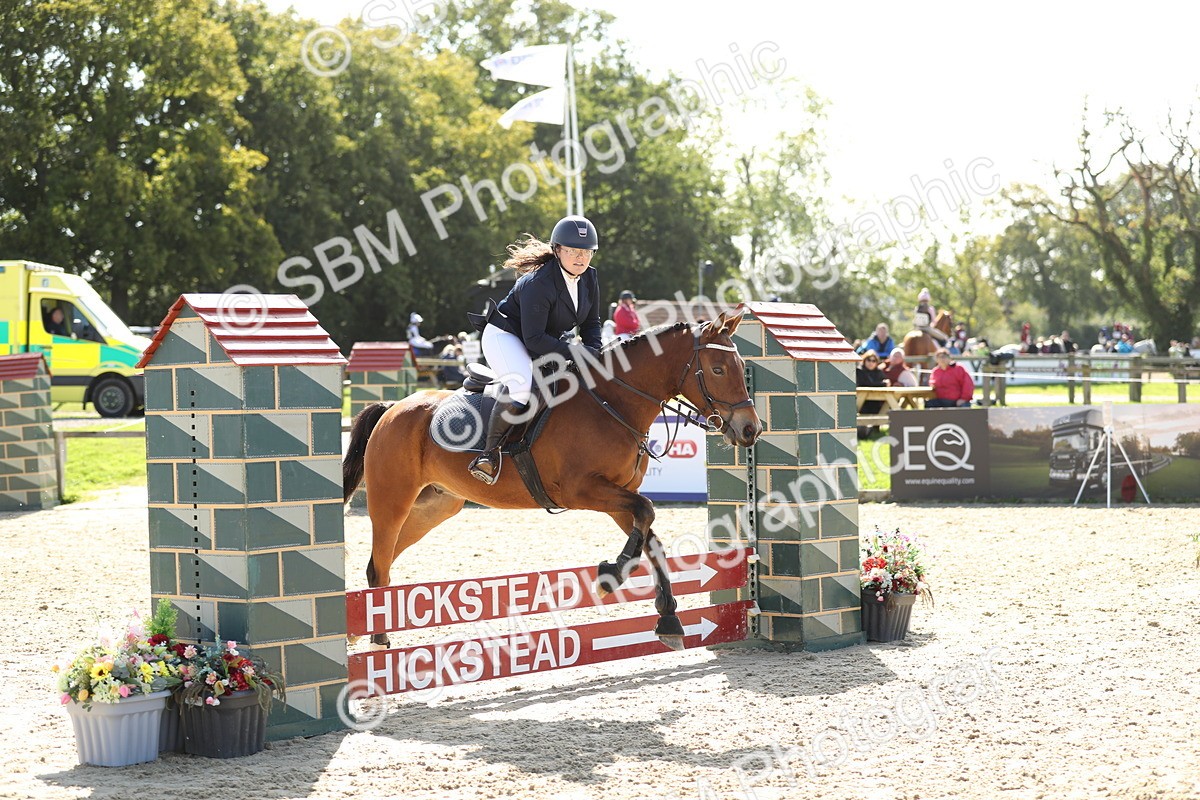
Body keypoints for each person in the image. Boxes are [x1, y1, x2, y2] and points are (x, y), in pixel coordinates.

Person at [467, 215, 602, 484]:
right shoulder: (538, 282)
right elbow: (534, 339)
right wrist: (578, 353)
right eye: (573, 251)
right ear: (557, 250)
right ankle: (489, 455)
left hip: (544, 339)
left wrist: (594, 351)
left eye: (587, 252)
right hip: (506, 337)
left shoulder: (589, 277)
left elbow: (591, 323)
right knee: (522, 386)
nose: (581, 258)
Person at [856, 351, 887, 439]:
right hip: (863, 401)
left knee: (885, 405)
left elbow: (884, 382)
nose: (871, 363)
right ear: (864, 361)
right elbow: (865, 384)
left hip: (877, 401)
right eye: (869, 360)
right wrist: (883, 384)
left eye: (874, 361)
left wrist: (883, 384)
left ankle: (876, 427)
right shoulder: (859, 371)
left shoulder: (879, 372)